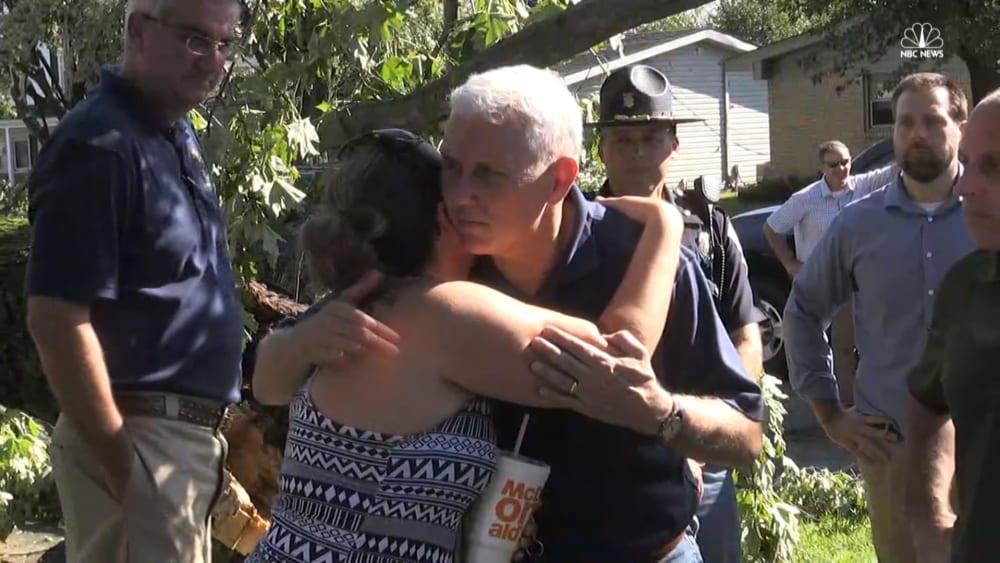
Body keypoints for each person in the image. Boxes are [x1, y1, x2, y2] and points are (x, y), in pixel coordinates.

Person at [247, 127, 685, 562]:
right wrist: (665, 228)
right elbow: (617, 359)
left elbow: (268, 386)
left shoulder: (373, 300)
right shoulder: (441, 314)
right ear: (443, 220)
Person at [441, 64, 763, 562]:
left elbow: (745, 435)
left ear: (558, 179)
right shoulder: (444, 264)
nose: (460, 196)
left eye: (489, 174)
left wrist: (663, 415)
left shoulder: (649, 265)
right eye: (451, 167)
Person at [23, 0, 244, 561]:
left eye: (225, 43)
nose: (214, 61)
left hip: (176, 447)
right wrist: (126, 468)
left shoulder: (174, 134)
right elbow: (56, 320)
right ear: (140, 30)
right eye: (196, 39)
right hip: (140, 439)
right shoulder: (98, 144)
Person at [783, 72, 973, 563]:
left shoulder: (988, 215)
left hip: (985, 444)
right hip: (893, 448)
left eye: (932, 121)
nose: (916, 134)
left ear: (962, 128)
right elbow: (803, 311)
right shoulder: (858, 224)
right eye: (905, 123)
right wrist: (830, 415)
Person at [590, 63, 764, 563]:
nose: (637, 153)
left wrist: (692, 431)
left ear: (674, 145)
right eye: (623, 140)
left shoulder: (707, 228)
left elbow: (745, 336)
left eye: (650, 138)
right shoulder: (576, 229)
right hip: (611, 455)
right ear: (601, 149)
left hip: (701, 447)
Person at [906, 88, 1000, 563]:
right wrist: (929, 522)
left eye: (994, 167)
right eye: (967, 163)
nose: (966, 187)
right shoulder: (966, 286)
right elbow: (926, 406)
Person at [764, 140, 898, 406]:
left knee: (847, 345)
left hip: (853, 278)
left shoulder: (862, 186)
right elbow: (771, 228)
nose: (841, 169)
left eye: (846, 162)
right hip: (818, 279)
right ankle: (826, 403)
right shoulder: (806, 198)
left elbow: (894, 170)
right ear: (822, 168)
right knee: (812, 343)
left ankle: (853, 405)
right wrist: (790, 263)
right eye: (833, 164)